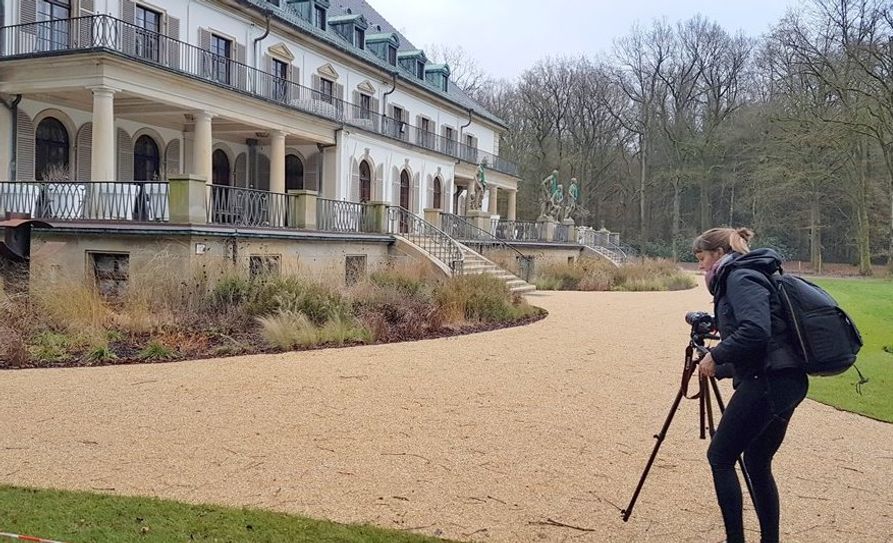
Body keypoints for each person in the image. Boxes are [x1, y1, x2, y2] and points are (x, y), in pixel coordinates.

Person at [694, 227, 807, 543]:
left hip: (769, 382)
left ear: (718, 254)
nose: (701, 266)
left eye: (702, 258)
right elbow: (763, 345)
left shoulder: (739, 276)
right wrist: (719, 366)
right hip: (784, 380)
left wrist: (716, 354)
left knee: (720, 457)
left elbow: (756, 331)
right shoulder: (750, 273)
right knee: (756, 460)